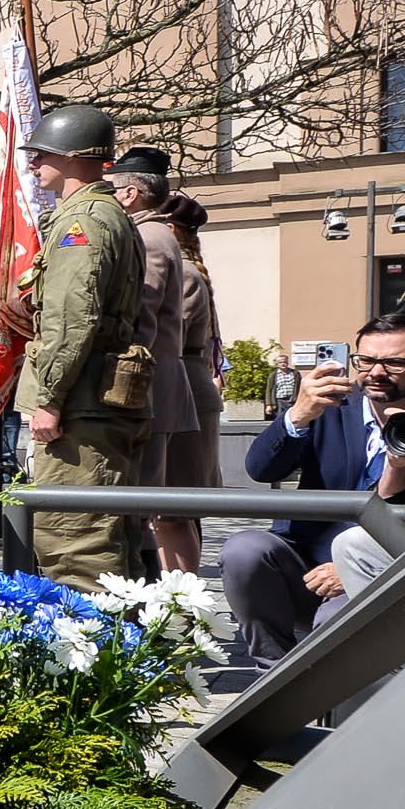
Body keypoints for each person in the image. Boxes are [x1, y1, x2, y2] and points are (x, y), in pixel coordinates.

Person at [1, 104, 149, 590]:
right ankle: (135, 655)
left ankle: (94, 660)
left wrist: (49, 399)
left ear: (73, 157)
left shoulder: (82, 222)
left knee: (74, 544)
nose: (34, 163)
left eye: (42, 154)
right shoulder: (112, 216)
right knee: (115, 536)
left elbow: (70, 319)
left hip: (81, 406)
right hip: (99, 401)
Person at [219, 314, 405, 663]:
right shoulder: (330, 406)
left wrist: (353, 566)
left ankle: (333, 706)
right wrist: (297, 416)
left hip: (390, 569)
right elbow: (261, 469)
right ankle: (272, 678)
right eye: (366, 361)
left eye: (395, 363)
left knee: (333, 624)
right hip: (307, 562)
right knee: (243, 550)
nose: (376, 372)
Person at [107, 150, 200, 498]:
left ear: (130, 194)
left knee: (141, 499)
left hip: (144, 384)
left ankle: (144, 557)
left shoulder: (147, 238)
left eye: (111, 188)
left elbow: (141, 314)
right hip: (154, 383)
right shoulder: (155, 233)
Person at [158, 193, 224, 573]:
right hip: (187, 390)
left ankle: (179, 609)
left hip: (184, 394)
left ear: (169, 229)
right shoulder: (188, 268)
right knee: (172, 511)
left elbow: (169, 334)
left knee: (172, 512)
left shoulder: (182, 271)